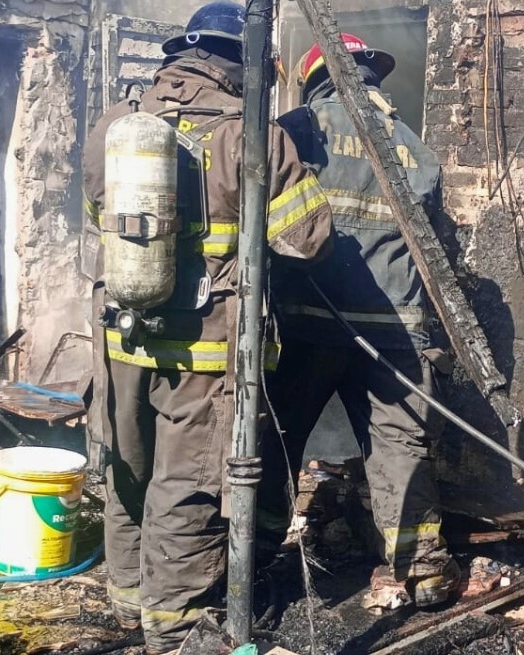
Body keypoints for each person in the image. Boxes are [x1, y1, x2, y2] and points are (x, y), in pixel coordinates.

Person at [80, 3, 334, 651]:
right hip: (205, 351)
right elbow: (308, 240)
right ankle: (178, 630)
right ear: (239, 65)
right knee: (186, 488)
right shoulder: (251, 136)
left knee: (130, 470)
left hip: (122, 340)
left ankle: (129, 601)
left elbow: (95, 213)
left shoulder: (116, 124)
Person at [261, 33, 460, 608]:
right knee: (400, 444)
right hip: (392, 326)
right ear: (372, 76)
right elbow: (436, 249)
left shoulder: (295, 132)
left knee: (278, 439)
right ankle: (422, 570)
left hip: (306, 322)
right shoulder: (414, 147)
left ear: (316, 76)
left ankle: (254, 560)